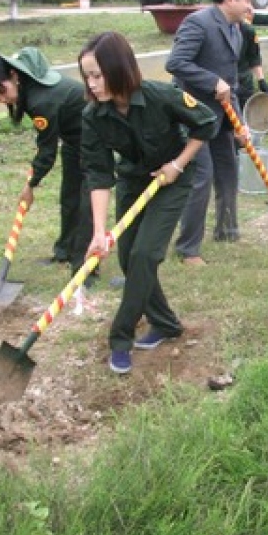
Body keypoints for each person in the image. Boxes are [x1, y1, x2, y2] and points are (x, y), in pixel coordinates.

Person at [79, 32, 217, 374]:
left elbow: (206, 123)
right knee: (128, 256)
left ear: (118, 68)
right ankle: (166, 324)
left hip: (172, 177)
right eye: (87, 77)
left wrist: (177, 165)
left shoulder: (160, 96)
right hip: (132, 179)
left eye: (97, 75)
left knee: (146, 254)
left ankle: (120, 336)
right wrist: (100, 231)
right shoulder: (93, 115)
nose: (92, 84)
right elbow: (98, 174)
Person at [0, 47, 93, 279]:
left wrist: (30, 186)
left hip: (95, 140)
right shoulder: (27, 85)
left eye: (1, 91)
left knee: (86, 202)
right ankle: (65, 251)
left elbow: (47, 151)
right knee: (69, 198)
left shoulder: (41, 100)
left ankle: (86, 267)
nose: (1, 99)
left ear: (14, 76)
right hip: (73, 140)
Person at [166, 0, 254, 265]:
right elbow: (176, 63)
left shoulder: (236, 30)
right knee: (200, 178)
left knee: (228, 171)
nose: (249, 6)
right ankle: (188, 248)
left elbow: (232, 85)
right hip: (193, 115)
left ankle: (227, 230)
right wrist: (211, 81)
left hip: (222, 118)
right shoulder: (198, 23)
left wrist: (240, 124)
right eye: (246, 0)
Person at [233, 7, 268, 110]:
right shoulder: (218, 31)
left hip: (244, 78)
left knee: (246, 111)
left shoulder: (248, 30)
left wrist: (261, 80)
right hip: (225, 80)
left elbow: (254, 56)